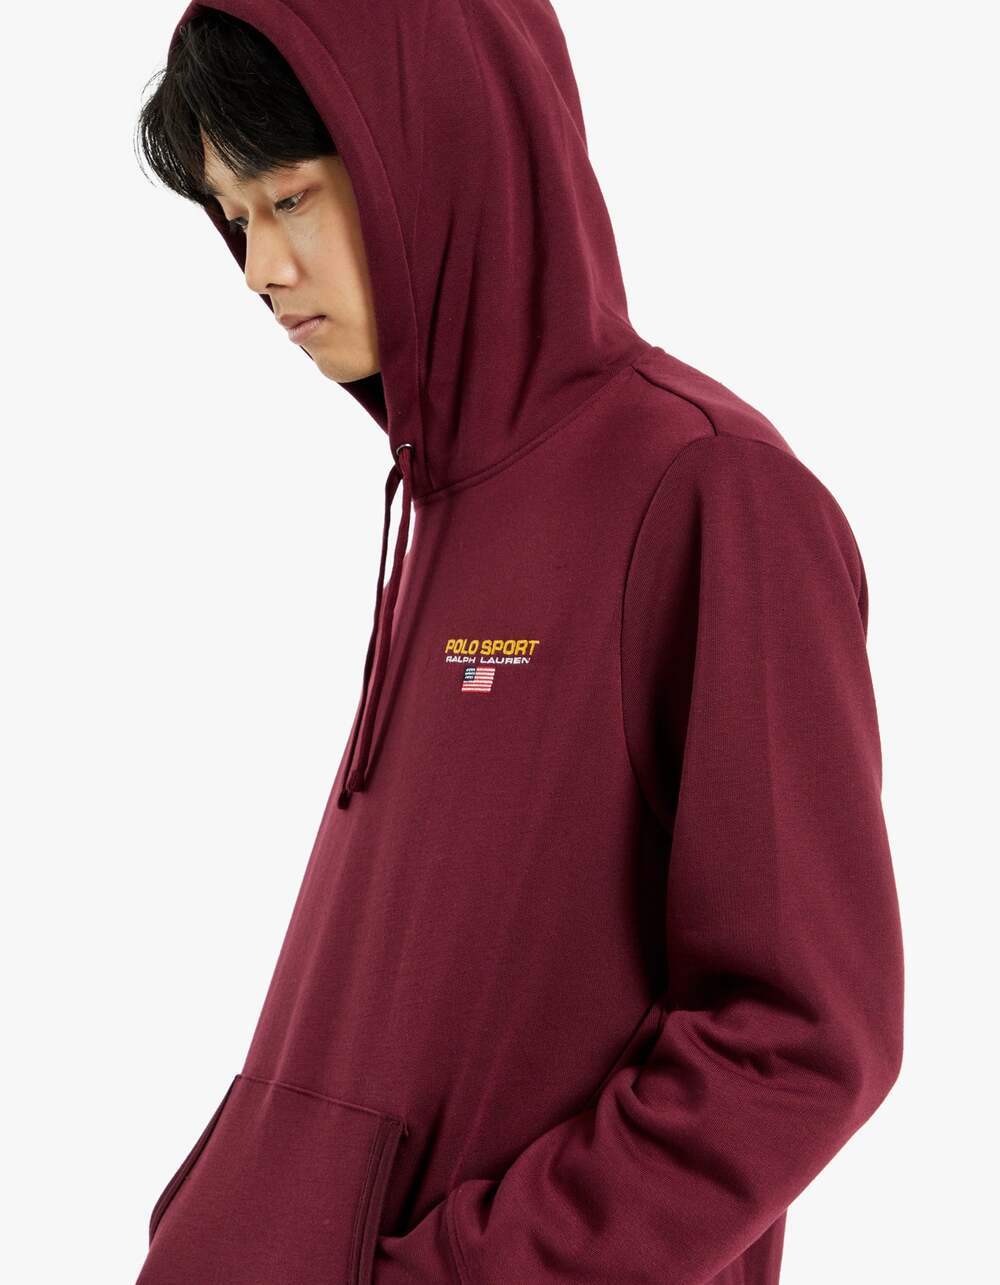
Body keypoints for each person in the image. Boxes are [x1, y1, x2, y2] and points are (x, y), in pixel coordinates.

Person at [132, 4, 905, 1283]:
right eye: (235, 217)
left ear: (433, 156)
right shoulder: (442, 503)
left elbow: (798, 1036)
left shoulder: (712, 492)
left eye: (290, 198)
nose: (260, 269)